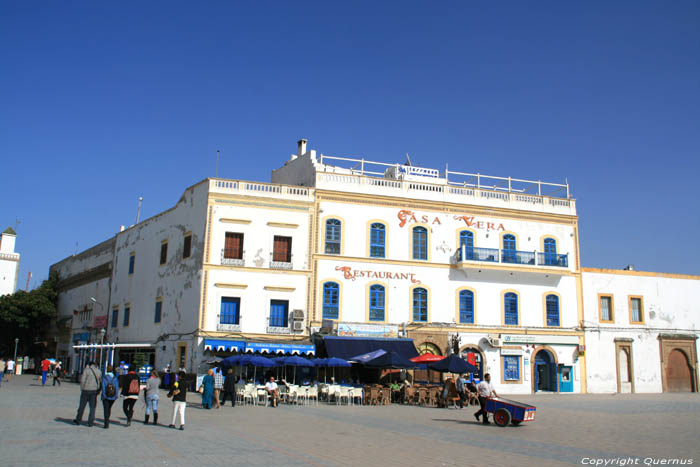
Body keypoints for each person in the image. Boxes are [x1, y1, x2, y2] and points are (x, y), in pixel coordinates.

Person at [73, 361, 102, 427]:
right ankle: (90, 422)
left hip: (86, 390)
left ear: (89, 365)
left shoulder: (86, 370)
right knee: (92, 407)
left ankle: (78, 420)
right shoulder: (99, 371)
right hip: (94, 391)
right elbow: (99, 381)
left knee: (82, 406)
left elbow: (83, 380)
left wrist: (82, 388)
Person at [101, 364, 119, 429]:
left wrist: (104, 395)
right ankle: (107, 419)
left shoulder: (105, 377)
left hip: (106, 396)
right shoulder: (115, 378)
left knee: (106, 409)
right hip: (113, 396)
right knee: (109, 408)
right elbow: (117, 387)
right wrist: (116, 395)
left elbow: (103, 387)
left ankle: (106, 423)